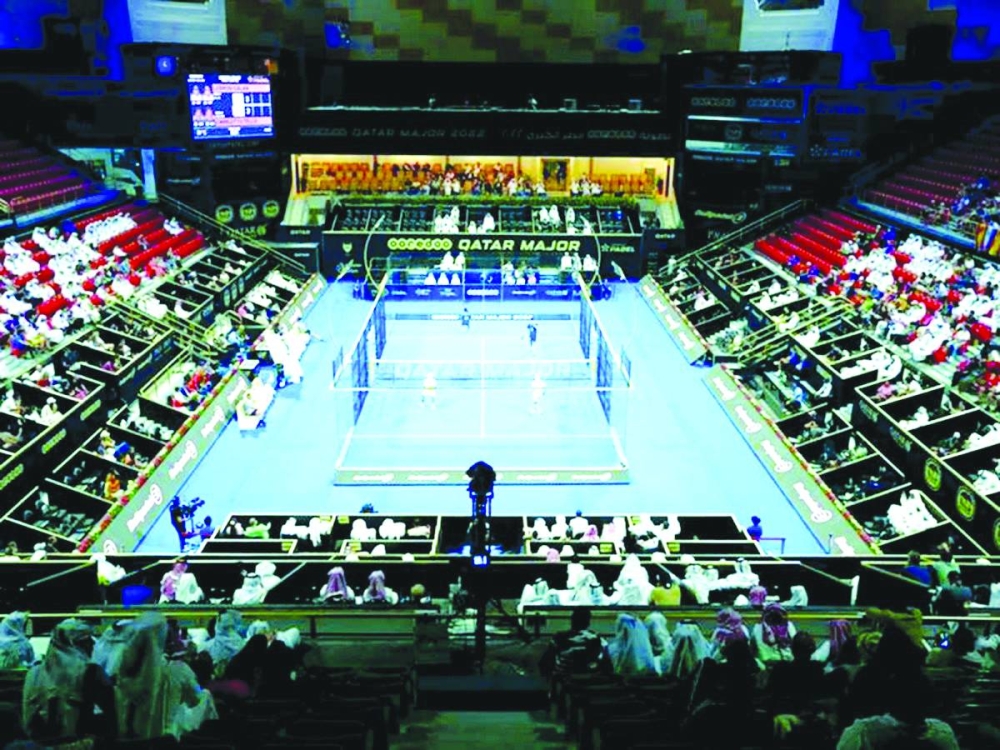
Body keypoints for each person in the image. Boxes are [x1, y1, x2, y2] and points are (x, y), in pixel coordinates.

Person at [115, 613, 217, 740]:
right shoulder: (178, 669)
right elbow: (194, 700)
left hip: (128, 743)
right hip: (166, 741)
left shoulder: (121, 671)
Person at [22, 618, 116, 740]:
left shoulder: (34, 672)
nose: (93, 645)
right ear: (75, 644)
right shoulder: (89, 671)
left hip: (39, 742)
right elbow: (111, 709)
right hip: (77, 741)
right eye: (87, 640)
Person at [539, 607, 609, 680]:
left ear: (572, 620)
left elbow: (545, 663)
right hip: (590, 681)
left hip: (564, 681)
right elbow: (607, 667)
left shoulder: (558, 638)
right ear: (588, 622)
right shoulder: (599, 639)